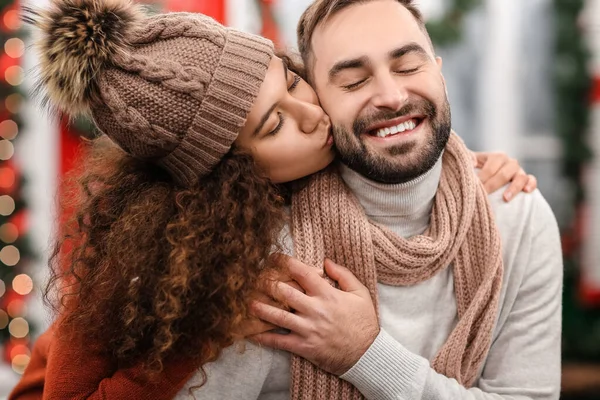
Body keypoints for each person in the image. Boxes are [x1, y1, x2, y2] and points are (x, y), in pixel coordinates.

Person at [10, 0, 538, 399]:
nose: (312, 114)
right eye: (275, 123)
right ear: (230, 176)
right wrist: (201, 337)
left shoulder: (313, 170)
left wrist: (464, 167)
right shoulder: (156, 268)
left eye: (291, 81)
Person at [248, 1, 563, 399]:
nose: (392, 97)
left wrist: (366, 355)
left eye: (409, 67)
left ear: (440, 73)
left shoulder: (516, 214)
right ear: (320, 105)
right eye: (353, 81)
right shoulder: (264, 246)